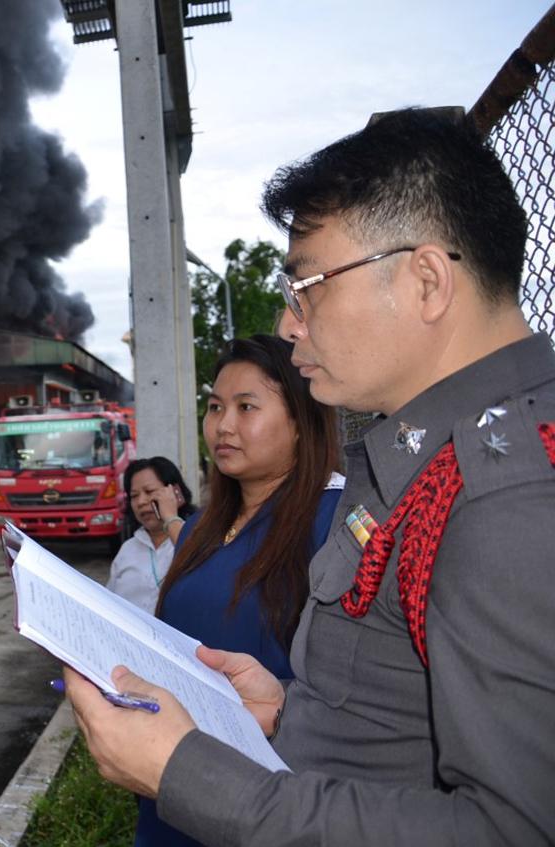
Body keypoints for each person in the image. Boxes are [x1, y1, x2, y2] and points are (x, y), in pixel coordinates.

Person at [64, 107, 555, 844]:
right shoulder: (422, 461)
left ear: (426, 281)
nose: (291, 323)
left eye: (310, 285)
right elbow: (399, 733)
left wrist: (189, 773)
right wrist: (286, 711)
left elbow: (512, 830)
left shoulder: (508, 498)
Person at [133, 335, 342, 847]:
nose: (223, 425)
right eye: (214, 407)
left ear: (300, 421)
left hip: (263, 795)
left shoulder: (332, 523)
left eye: (247, 407)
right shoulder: (202, 526)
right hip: (172, 775)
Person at [106, 457, 195, 613]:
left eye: (149, 491)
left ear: (174, 492)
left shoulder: (197, 538)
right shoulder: (127, 550)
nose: (141, 502)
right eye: (134, 496)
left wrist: (170, 518)